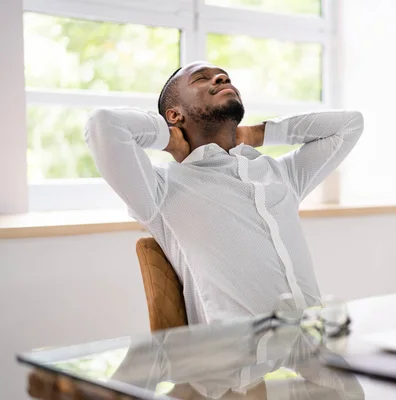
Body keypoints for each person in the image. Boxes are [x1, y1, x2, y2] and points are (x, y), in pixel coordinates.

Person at [85, 61, 364, 325]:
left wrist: (256, 134)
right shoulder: (161, 188)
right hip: (239, 367)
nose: (221, 78)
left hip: (314, 350)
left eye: (225, 76)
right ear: (174, 114)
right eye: (201, 78)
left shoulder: (280, 174)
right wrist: (170, 139)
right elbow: (104, 125)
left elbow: (350, 125)